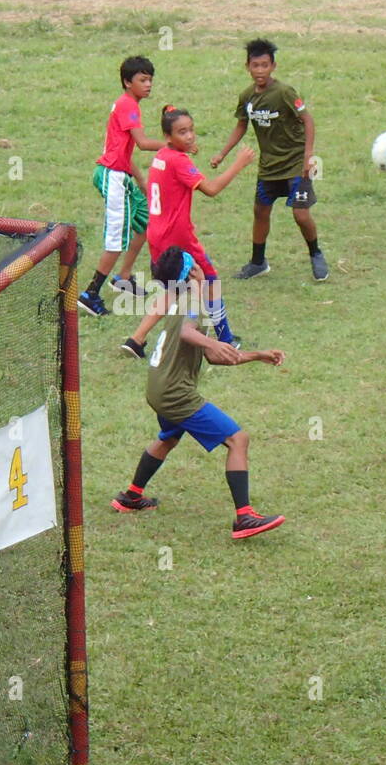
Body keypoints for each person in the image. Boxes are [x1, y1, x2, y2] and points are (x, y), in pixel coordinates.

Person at [112, 246, 287, 539]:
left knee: (168, 437)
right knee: (238, 439)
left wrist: (257, 355)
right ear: (193, 271)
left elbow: (214, 357)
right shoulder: (192, 300)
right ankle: (244, 517)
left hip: (157, 387)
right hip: (174, 393)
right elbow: (186, 334)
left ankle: (131, 496)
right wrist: (212, 342)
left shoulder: (187, 300)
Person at [120, 106, 253, 358]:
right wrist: (239, 164)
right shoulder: (179, 161)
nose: (190, 136)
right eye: (183, 132)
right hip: (178, 239)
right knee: (210, 280)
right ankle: (225, 338)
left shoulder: (162, 155)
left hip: (156, 235)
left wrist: (184, 150)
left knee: (173, 288)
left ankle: (136, 339)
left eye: (191, 130)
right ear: (168, 136)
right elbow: (211, 189)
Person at [210, 39, 328, 282]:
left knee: (301, 215)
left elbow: (308, 120)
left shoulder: (285, 92)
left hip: (295, 163)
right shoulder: (247, 97)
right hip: (269, 167)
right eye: (256, 65)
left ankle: (316, 254)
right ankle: (257, 262)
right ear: (248, 67)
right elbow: (241, 125)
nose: (260, 70)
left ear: (273, 66)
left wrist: (308, 156)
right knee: (260, 211)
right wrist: (222, 153)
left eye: (265, 65)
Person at [77, 56, 166, 317]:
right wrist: (173, 143)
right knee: (116, 239)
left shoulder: (129, 104)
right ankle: (90, 294)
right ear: (128, 82)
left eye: (150, 79)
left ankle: (123, 276)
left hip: (122, 174)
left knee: (144, 221)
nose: (148, 84)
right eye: (142, 80)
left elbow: (123, 151)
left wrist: (141, 180)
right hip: (113, 177)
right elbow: (142, 143)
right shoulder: (128, 106)